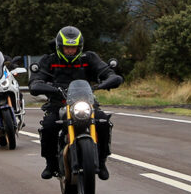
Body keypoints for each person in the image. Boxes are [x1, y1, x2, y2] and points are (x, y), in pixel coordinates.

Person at [28, 26, 122, 181]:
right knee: (49, 125)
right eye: (67, 48)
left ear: (79, 47)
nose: (70, 51)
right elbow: (35, 81)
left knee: (103, 121)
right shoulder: (49, 60)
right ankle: (50, 163)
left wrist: (107, 81)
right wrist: (40, 85)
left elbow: (107, 72)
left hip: (85, 102)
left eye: (74, 48)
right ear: (60, 47)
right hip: (58, 103)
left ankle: (102, 160)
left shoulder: (89, 58)